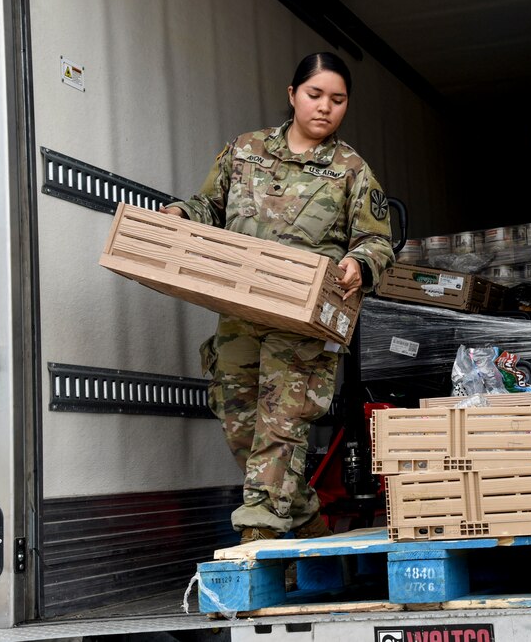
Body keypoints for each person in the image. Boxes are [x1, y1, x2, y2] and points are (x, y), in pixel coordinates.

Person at [161, 52, 394, 543]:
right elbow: (210, 206)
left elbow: (377, 240)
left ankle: (259, 539)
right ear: (292, 96)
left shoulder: (351, 170)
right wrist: (182, 214)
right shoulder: (243, 151)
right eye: (315, 95)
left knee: (281, 426)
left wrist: (359, 263)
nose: (325, 108)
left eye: (338, 99)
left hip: (301, 324)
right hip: (240, 313)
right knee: (238, 420)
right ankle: (307, 520)